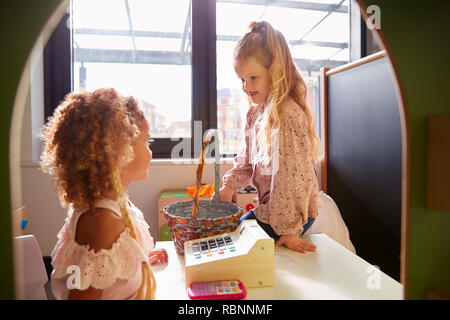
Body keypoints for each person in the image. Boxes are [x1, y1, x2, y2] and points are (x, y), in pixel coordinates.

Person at [40, 88, 168, 300]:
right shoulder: (101, 222)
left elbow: (107, 275)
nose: (150, 151)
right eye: (146, 142)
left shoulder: (117, 203)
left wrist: (138, 264)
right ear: (118, 151)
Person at [218, 21, 321, 254]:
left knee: (235, 240)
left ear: (275, 73)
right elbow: (247, 160)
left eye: (253, 78)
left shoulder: (286, 114)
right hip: (273, 207)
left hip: (293, 214)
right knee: (233, 232)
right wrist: (229, 185)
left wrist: (289, 230)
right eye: (242, 80)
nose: (246, 87)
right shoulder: (255, 113)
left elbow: (292, 178)